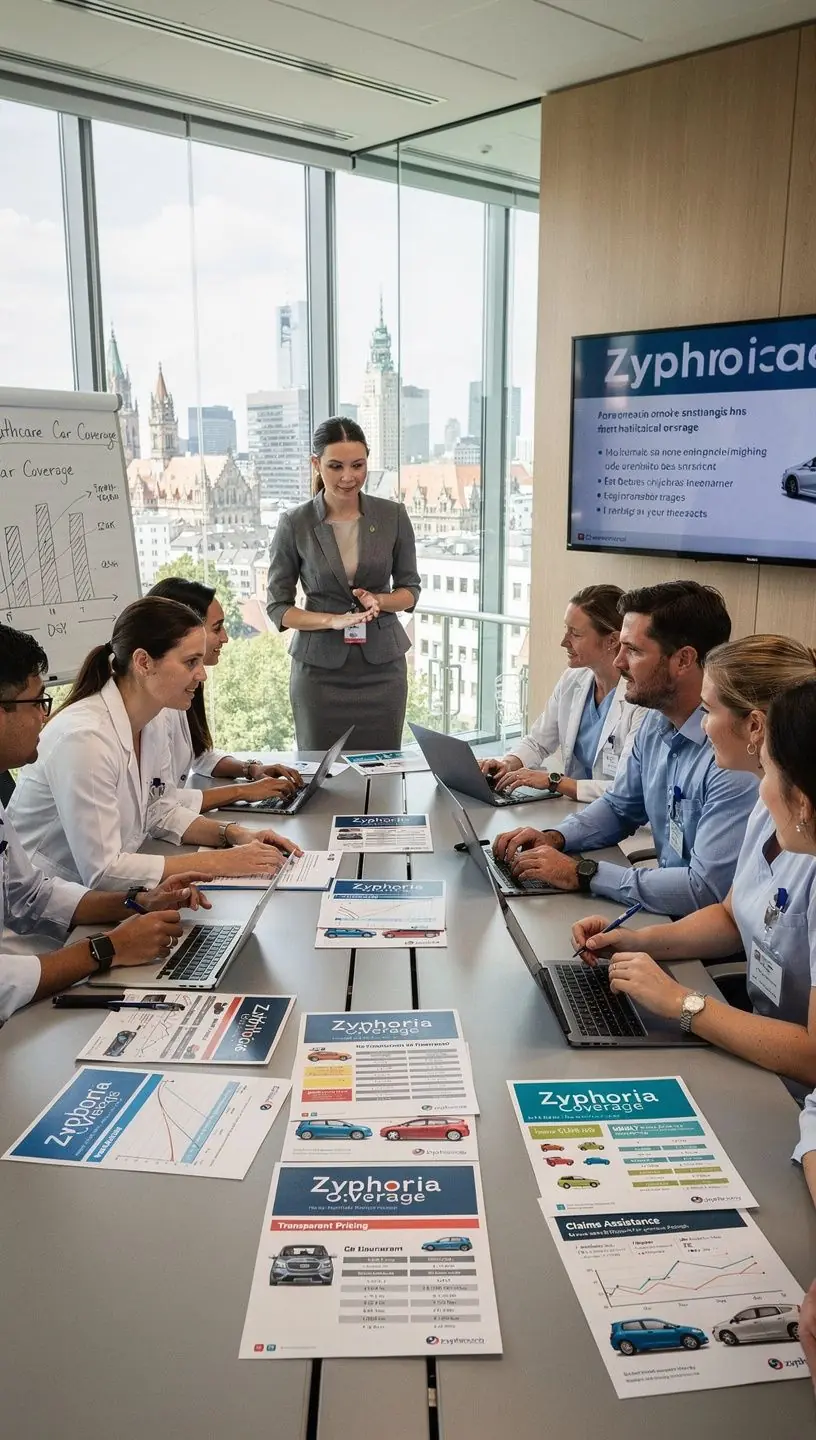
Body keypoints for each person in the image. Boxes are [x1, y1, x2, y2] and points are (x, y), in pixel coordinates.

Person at [572, 654, 816, 1094]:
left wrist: (681, 1002)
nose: (760, 787)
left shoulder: (795, 830)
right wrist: (634, 942)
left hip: (791, 1087)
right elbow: (730, 915)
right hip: (751, 1047)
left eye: (709, 711)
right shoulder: (774, 810)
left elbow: (813, 1057)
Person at [493, 581, 757, 915]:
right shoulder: (655, 723)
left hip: (698, 935)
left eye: (632, 650)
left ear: (684, 660)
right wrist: (555, 838)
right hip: (660, 911)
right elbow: (620, 807)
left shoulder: (732, 759)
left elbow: (702, 890)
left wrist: (583, 872)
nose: (618, 662)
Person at [9, 598, 301, 890]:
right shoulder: (85, 738)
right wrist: (222, 862)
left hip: (100, 903)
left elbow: (160, 810)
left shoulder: (155, 718)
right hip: (48, 921)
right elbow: (104, 872)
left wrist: (234, 835)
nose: (202, 674)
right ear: (143, 662)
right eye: (190, 662)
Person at [0, 623, 214, 1021]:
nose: (45, 719)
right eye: (37, 703)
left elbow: (28, 896)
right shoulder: (82, 735)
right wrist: (107, 948)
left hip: (45, 961)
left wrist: (135, 901)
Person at [266, 416, 421, 750]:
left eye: (358, 465)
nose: (348, 477)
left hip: (383, 671)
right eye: (335, 466)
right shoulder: (295, 523)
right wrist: (331, 621)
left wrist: (381, 601)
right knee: (321, 779)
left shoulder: (393, 515)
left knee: (381, 776)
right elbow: (278, 607)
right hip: (319, 673)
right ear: (316, 464)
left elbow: (410, 590)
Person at [149, 576, 303, 811]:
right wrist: (242, 791)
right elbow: (160, 804)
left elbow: (200, 756)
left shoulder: (186, 684)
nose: (226, 637)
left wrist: (251, 770)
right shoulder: (153, 710)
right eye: (217, 627)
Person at [479, 584, 645, 800]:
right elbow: (538, 742)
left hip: (618, 820)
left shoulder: (640, 699)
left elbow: (627, 788)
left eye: (575, 634)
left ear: (612, 641)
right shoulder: (573, 679)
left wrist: (554, 781)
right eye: (566, 630)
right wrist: (507, 763)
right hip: (570, 807)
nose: (563, 641)